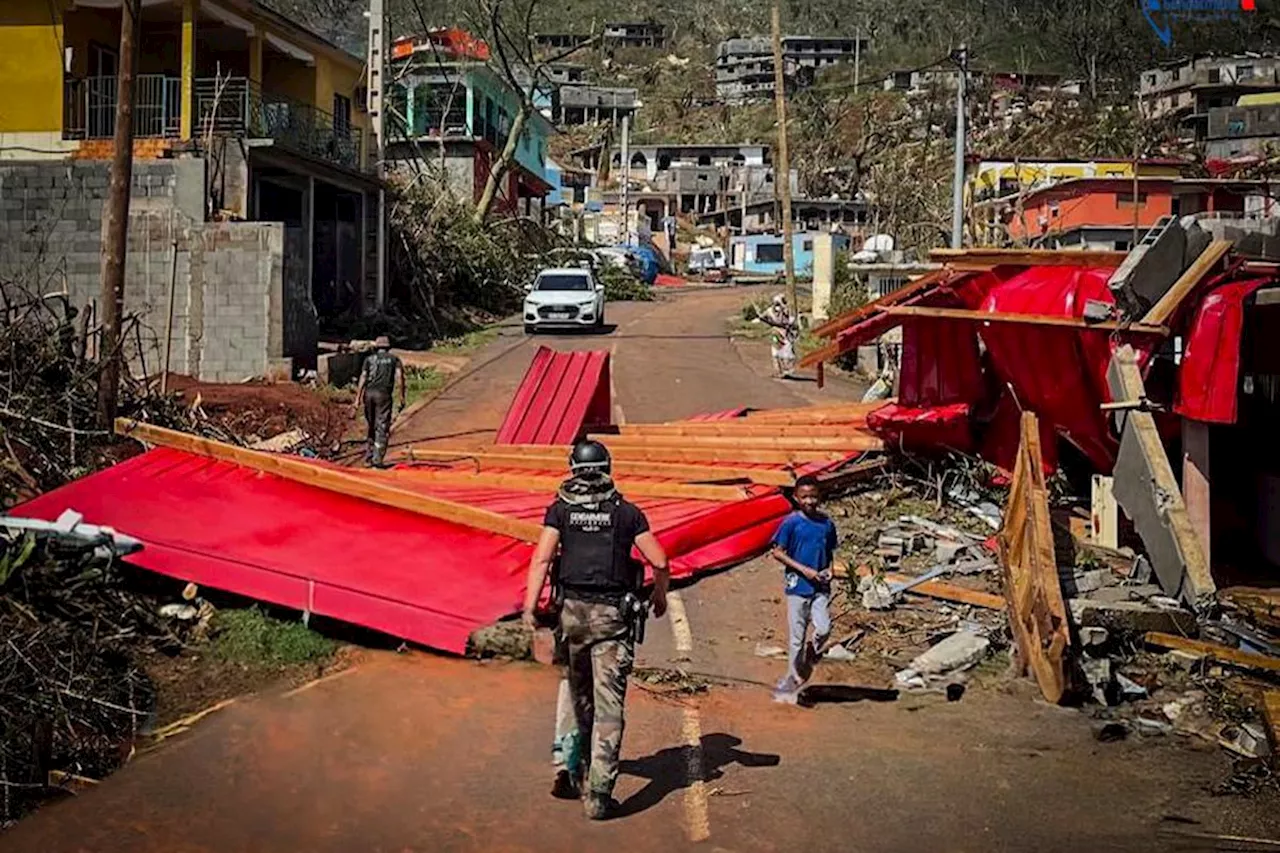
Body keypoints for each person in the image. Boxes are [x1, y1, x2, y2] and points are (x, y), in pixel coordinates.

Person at [522, 439, 670, 820]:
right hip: (611, 621)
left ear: (572, 469)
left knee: (574, 692)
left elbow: (541, 560)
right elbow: (660, 559)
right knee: (608, 707)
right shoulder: (627, 513)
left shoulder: (560, 511)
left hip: (571, 617)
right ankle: (600, 796)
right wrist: (659, 597)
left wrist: (529, 609)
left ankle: (568, 769)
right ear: (608, 468)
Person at [770, 474, 838, 704]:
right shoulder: (791, 523)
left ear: (820, 497)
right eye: (805, 497)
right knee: (796, 639)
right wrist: (803, 570)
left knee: (824, 627)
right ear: (796, 498)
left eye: (813, 496)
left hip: (820, 586)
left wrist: (830, 569)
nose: (809, 501)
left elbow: (829, 552)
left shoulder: (826, 524)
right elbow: (778, 552)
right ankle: (792, 682)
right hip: (798, 586)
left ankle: (813, 651)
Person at [352, 335, 405, 467]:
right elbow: (400, 378)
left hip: (369, 394)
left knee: (371, 425)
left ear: (376, 348)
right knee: (382, 426)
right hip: (383, 395)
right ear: (388, 348)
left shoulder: (369, 359)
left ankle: (368, 458)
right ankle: (377, 459)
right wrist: (401, 397)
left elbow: (363, 378)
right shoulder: (394, 359)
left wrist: (357, 399)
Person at [761, 294, 799, 378]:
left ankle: (785, 370)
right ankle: (780, 371)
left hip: (784, 333)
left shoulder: (785, 310)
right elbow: (763, 317)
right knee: (777, 351)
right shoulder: (772, 310)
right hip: (778, 333)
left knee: (784, 352)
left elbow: (791, 321)